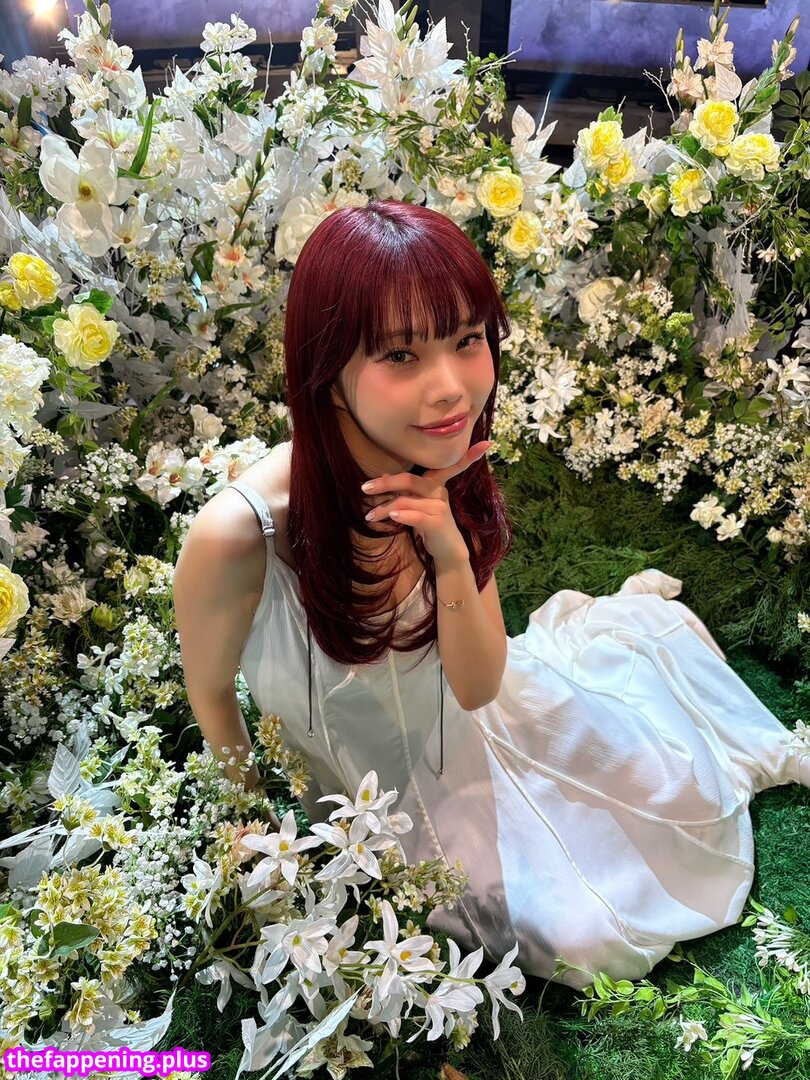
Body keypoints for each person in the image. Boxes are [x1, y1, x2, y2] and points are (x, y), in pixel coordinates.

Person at [173, 198, 809, 988]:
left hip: (479, 728)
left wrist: (449, 551)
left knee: (669, 803)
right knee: (578, 937)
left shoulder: (444, 458)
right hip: (373, 799)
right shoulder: (240, 535)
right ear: (326, 369)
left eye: (467, 340)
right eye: (401, 354)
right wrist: (257, 840)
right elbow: (212, 695)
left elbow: (478, 687)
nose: (451, 388)